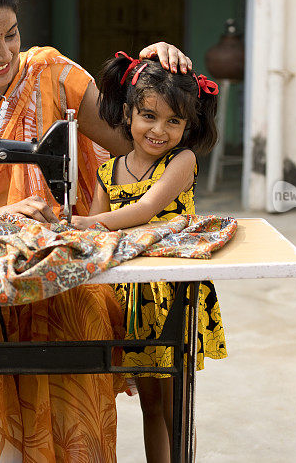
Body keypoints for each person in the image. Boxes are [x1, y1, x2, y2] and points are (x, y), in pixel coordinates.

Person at [0, 0, 193, 463]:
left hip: (61, 263)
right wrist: (4, 217)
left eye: (11, 35)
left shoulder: (49, 73)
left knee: (84, 313)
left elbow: (136, 141)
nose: (6, 54)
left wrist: (153, 78)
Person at [71, 52, 227, 463]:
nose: (159, 130)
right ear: (128, 114)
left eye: (173, 121)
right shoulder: (111, 170)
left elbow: (139, 213)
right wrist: (77, 227)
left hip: (172, 296)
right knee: (149, 405)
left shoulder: (182, 161)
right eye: (149, 116)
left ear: (188, 126)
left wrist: (74, 225)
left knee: (176, 405)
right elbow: (98, 230)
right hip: (131, 300)